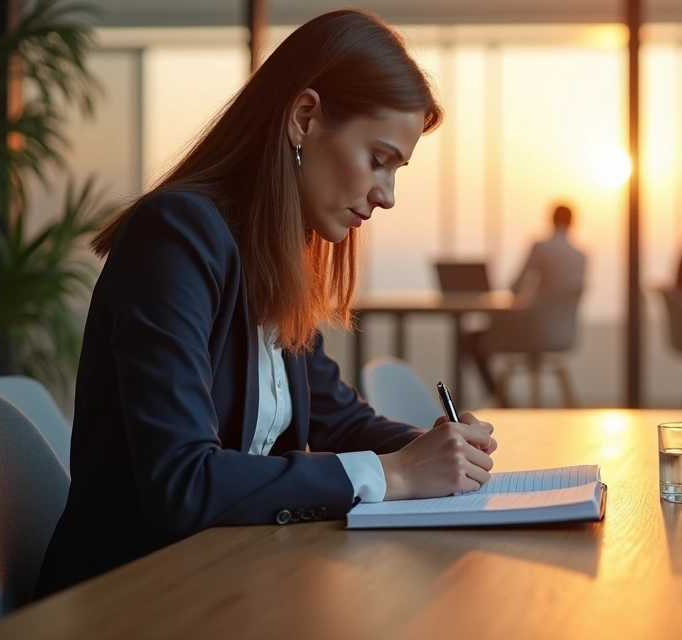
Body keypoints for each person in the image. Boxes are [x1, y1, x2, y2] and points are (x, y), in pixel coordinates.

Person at [35, 10, 498, 598]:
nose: (386, 196)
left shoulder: (271, 258)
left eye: (396, 170)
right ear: (304, 119)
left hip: (226, 583)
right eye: (378, 160)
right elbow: (182, 480)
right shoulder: (175, 237)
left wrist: (433, 449)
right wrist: (395, 474)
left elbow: (338, 417)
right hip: (131, 601)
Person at [465, 204, 586, 400]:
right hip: (563, 333)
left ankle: (500, 400)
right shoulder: (581, 255)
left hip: (532, 329)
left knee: (471, 339)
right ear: (573, 222)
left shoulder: (541, 247)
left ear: (551, 219)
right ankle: (503, 401)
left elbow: (517, 287)